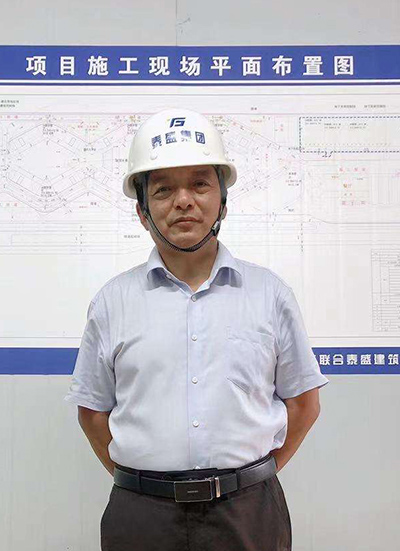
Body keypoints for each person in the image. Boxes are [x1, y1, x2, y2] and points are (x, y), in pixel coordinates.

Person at [64, 108, 329, 551]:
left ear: (222, 201)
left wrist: (246, 481)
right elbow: (93, 413)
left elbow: (304, 404)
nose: (183, 201)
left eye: (200, 184)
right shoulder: (112, 302)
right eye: (163, 189)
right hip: (141, 516)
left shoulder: (269, 294)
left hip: (248, 512)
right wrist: (149, 484)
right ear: (142, 211)